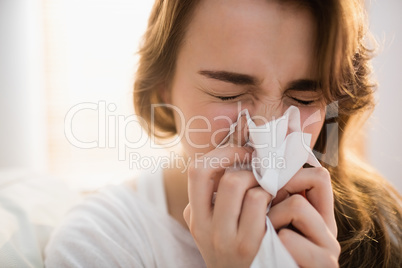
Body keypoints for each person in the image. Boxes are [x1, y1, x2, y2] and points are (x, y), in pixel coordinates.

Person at [45, 0, 402, 267]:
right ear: (163, 88)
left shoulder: (381, 228)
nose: (264, 130)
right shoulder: (100, 244)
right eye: (227, 95)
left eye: (303, 97)